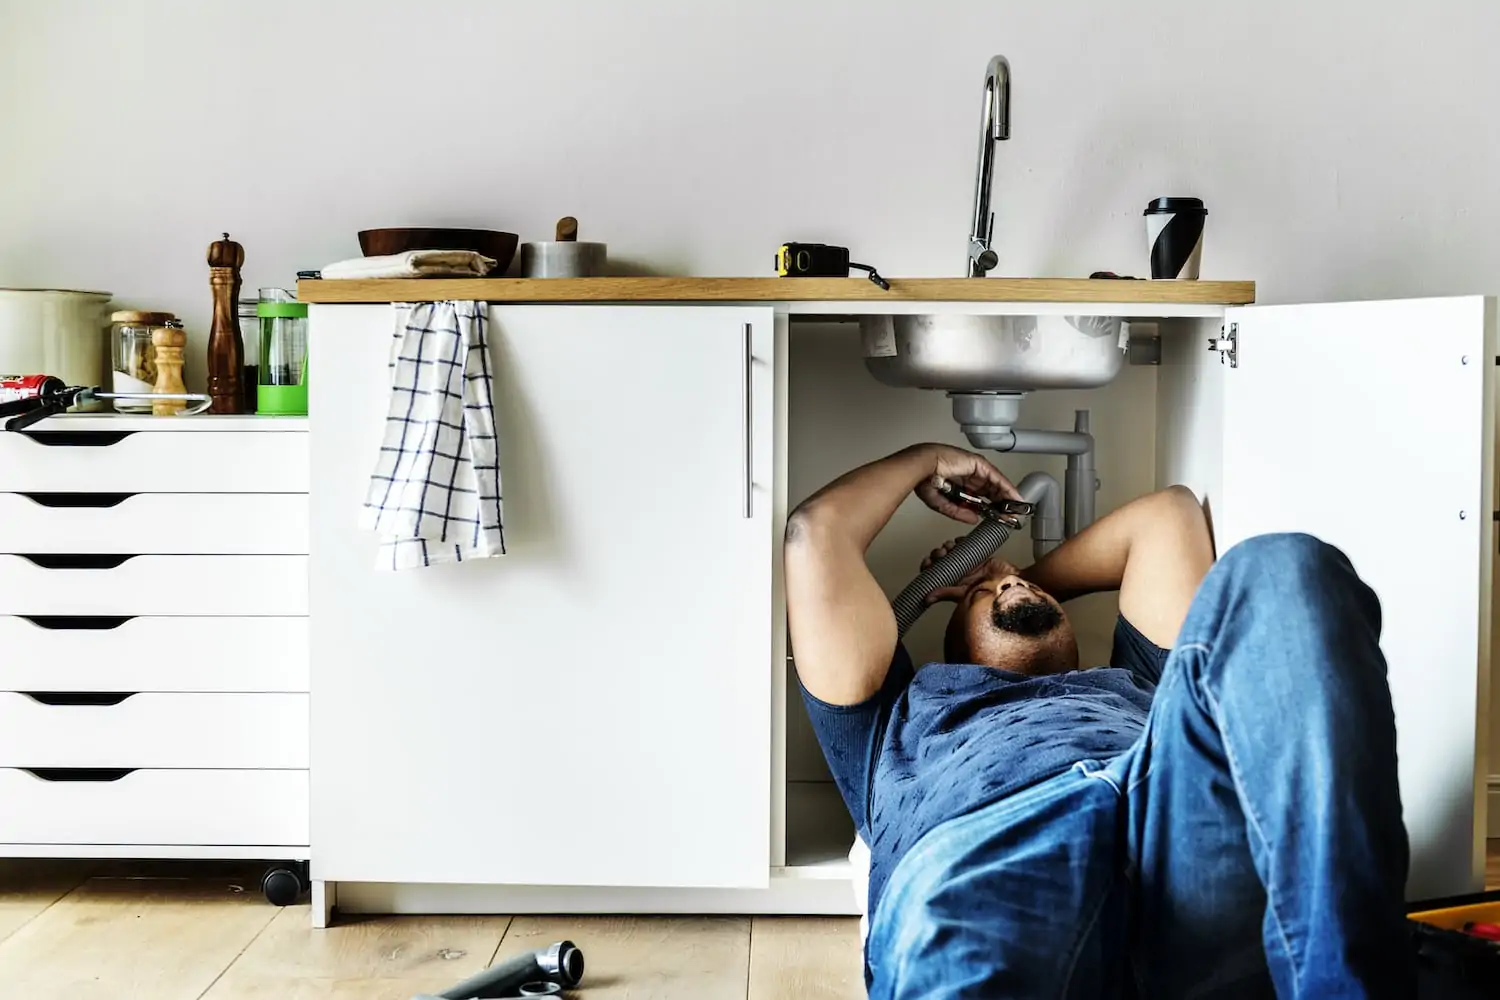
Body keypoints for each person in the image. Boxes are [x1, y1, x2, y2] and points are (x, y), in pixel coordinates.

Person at [784, 442, 1413, 999]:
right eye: (981, 601)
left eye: (1016, 592)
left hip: (1170, 820)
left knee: (1285, 570)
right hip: (990, 850)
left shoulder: (1136, 679)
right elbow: (816, 535)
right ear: (950, 643)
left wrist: (1005, 576)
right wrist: (926, 458)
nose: (1008, 594)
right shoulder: (897, 713)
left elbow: (1169, 515)